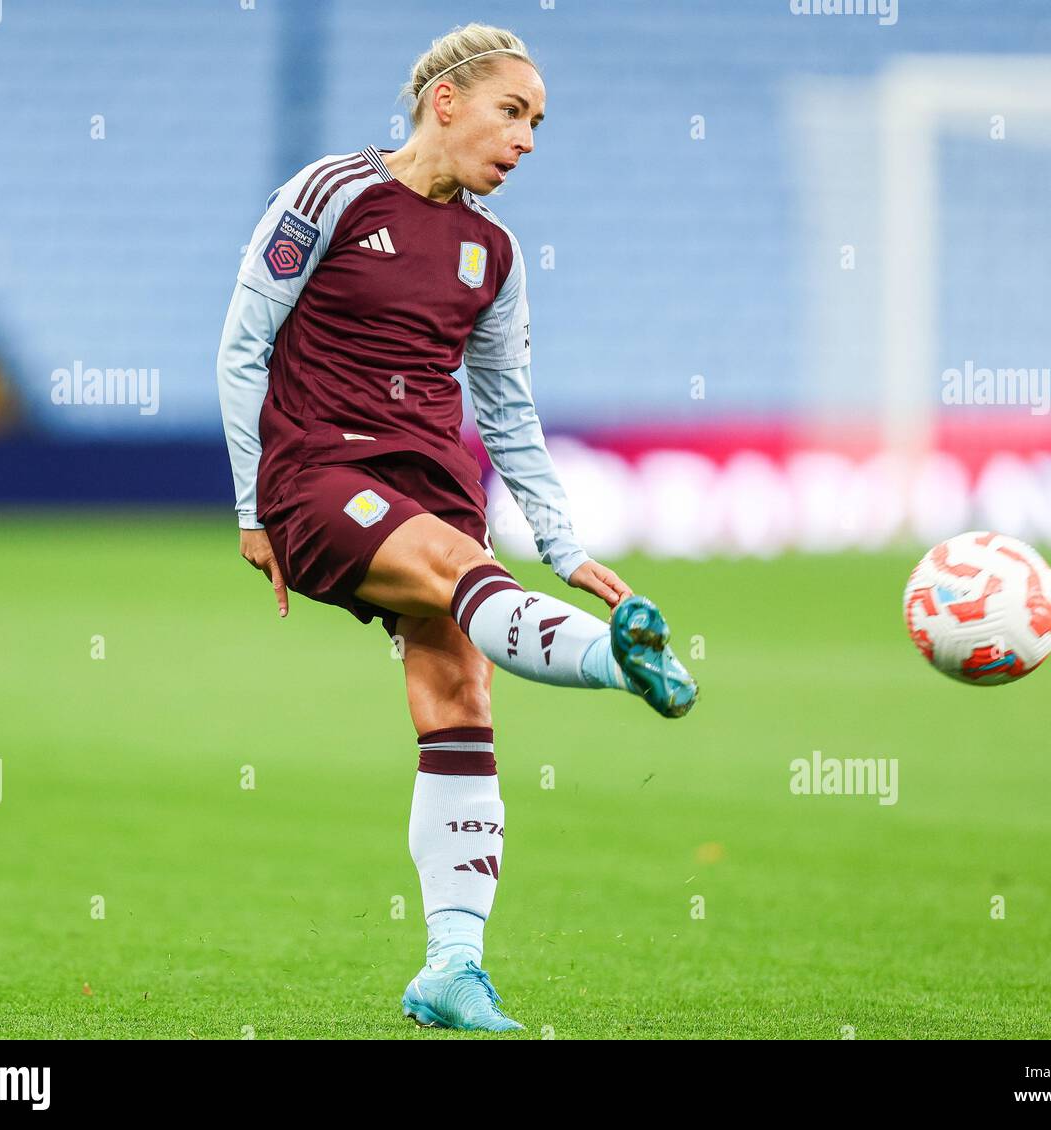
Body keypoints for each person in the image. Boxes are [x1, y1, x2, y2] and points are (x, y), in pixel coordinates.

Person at [216, 22, 697, 1033]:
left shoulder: (493, 251)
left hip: (433, 478)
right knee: (449, 567)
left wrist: (563, 546)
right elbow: (243, 341)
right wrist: (250, 500)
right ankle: (620, 662)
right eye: (512, 112)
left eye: (538, 123)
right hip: (318, 472)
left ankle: (451, 965)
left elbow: (509, 407)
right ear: (445, 101)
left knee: (457, 691)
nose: (526, 139)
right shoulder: (330, 193)